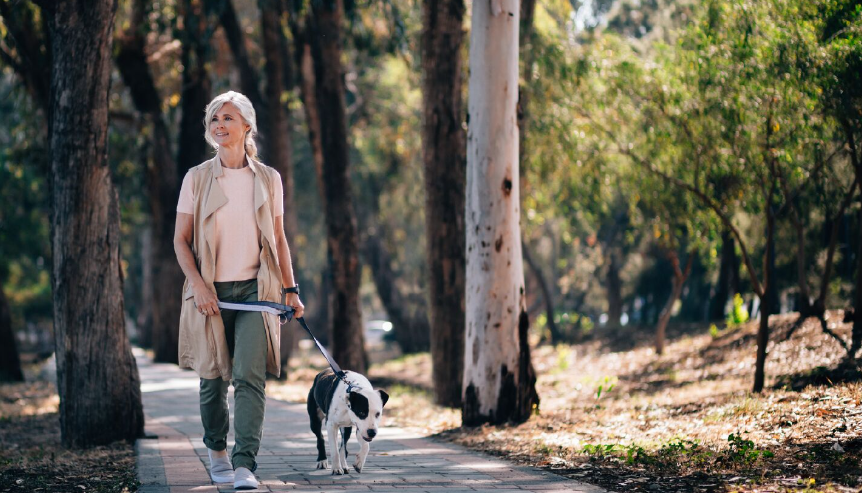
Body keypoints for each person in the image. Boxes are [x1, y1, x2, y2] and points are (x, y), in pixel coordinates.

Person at [173, 90, 304, 490]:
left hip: (254, 292)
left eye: (228, 117)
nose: (219, 125)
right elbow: (180, 240)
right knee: (212, 379)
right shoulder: (197, 177)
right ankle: (216, 452)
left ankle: (245, 464)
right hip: (209, 293)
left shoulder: (268, 179)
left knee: (250, 378)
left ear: (246, 126)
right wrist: (199, 286)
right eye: (214, 118)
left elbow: (279, 240)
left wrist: (290, 289)